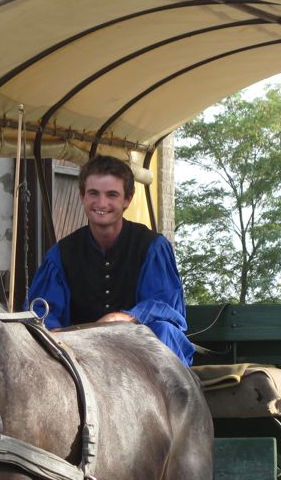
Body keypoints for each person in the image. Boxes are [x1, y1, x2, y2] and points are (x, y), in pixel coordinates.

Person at [25, 155, 194, 365]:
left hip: (140, 347)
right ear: (82, 196)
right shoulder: (61, 254)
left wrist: (124, 317)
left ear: (127, 199)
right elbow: (41, 311)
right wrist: (54, 332)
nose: (101, 203)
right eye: (93, 193)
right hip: (82, 354)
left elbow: (163, 304)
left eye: (112, 195)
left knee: (164, 330)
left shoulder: (151, 247)